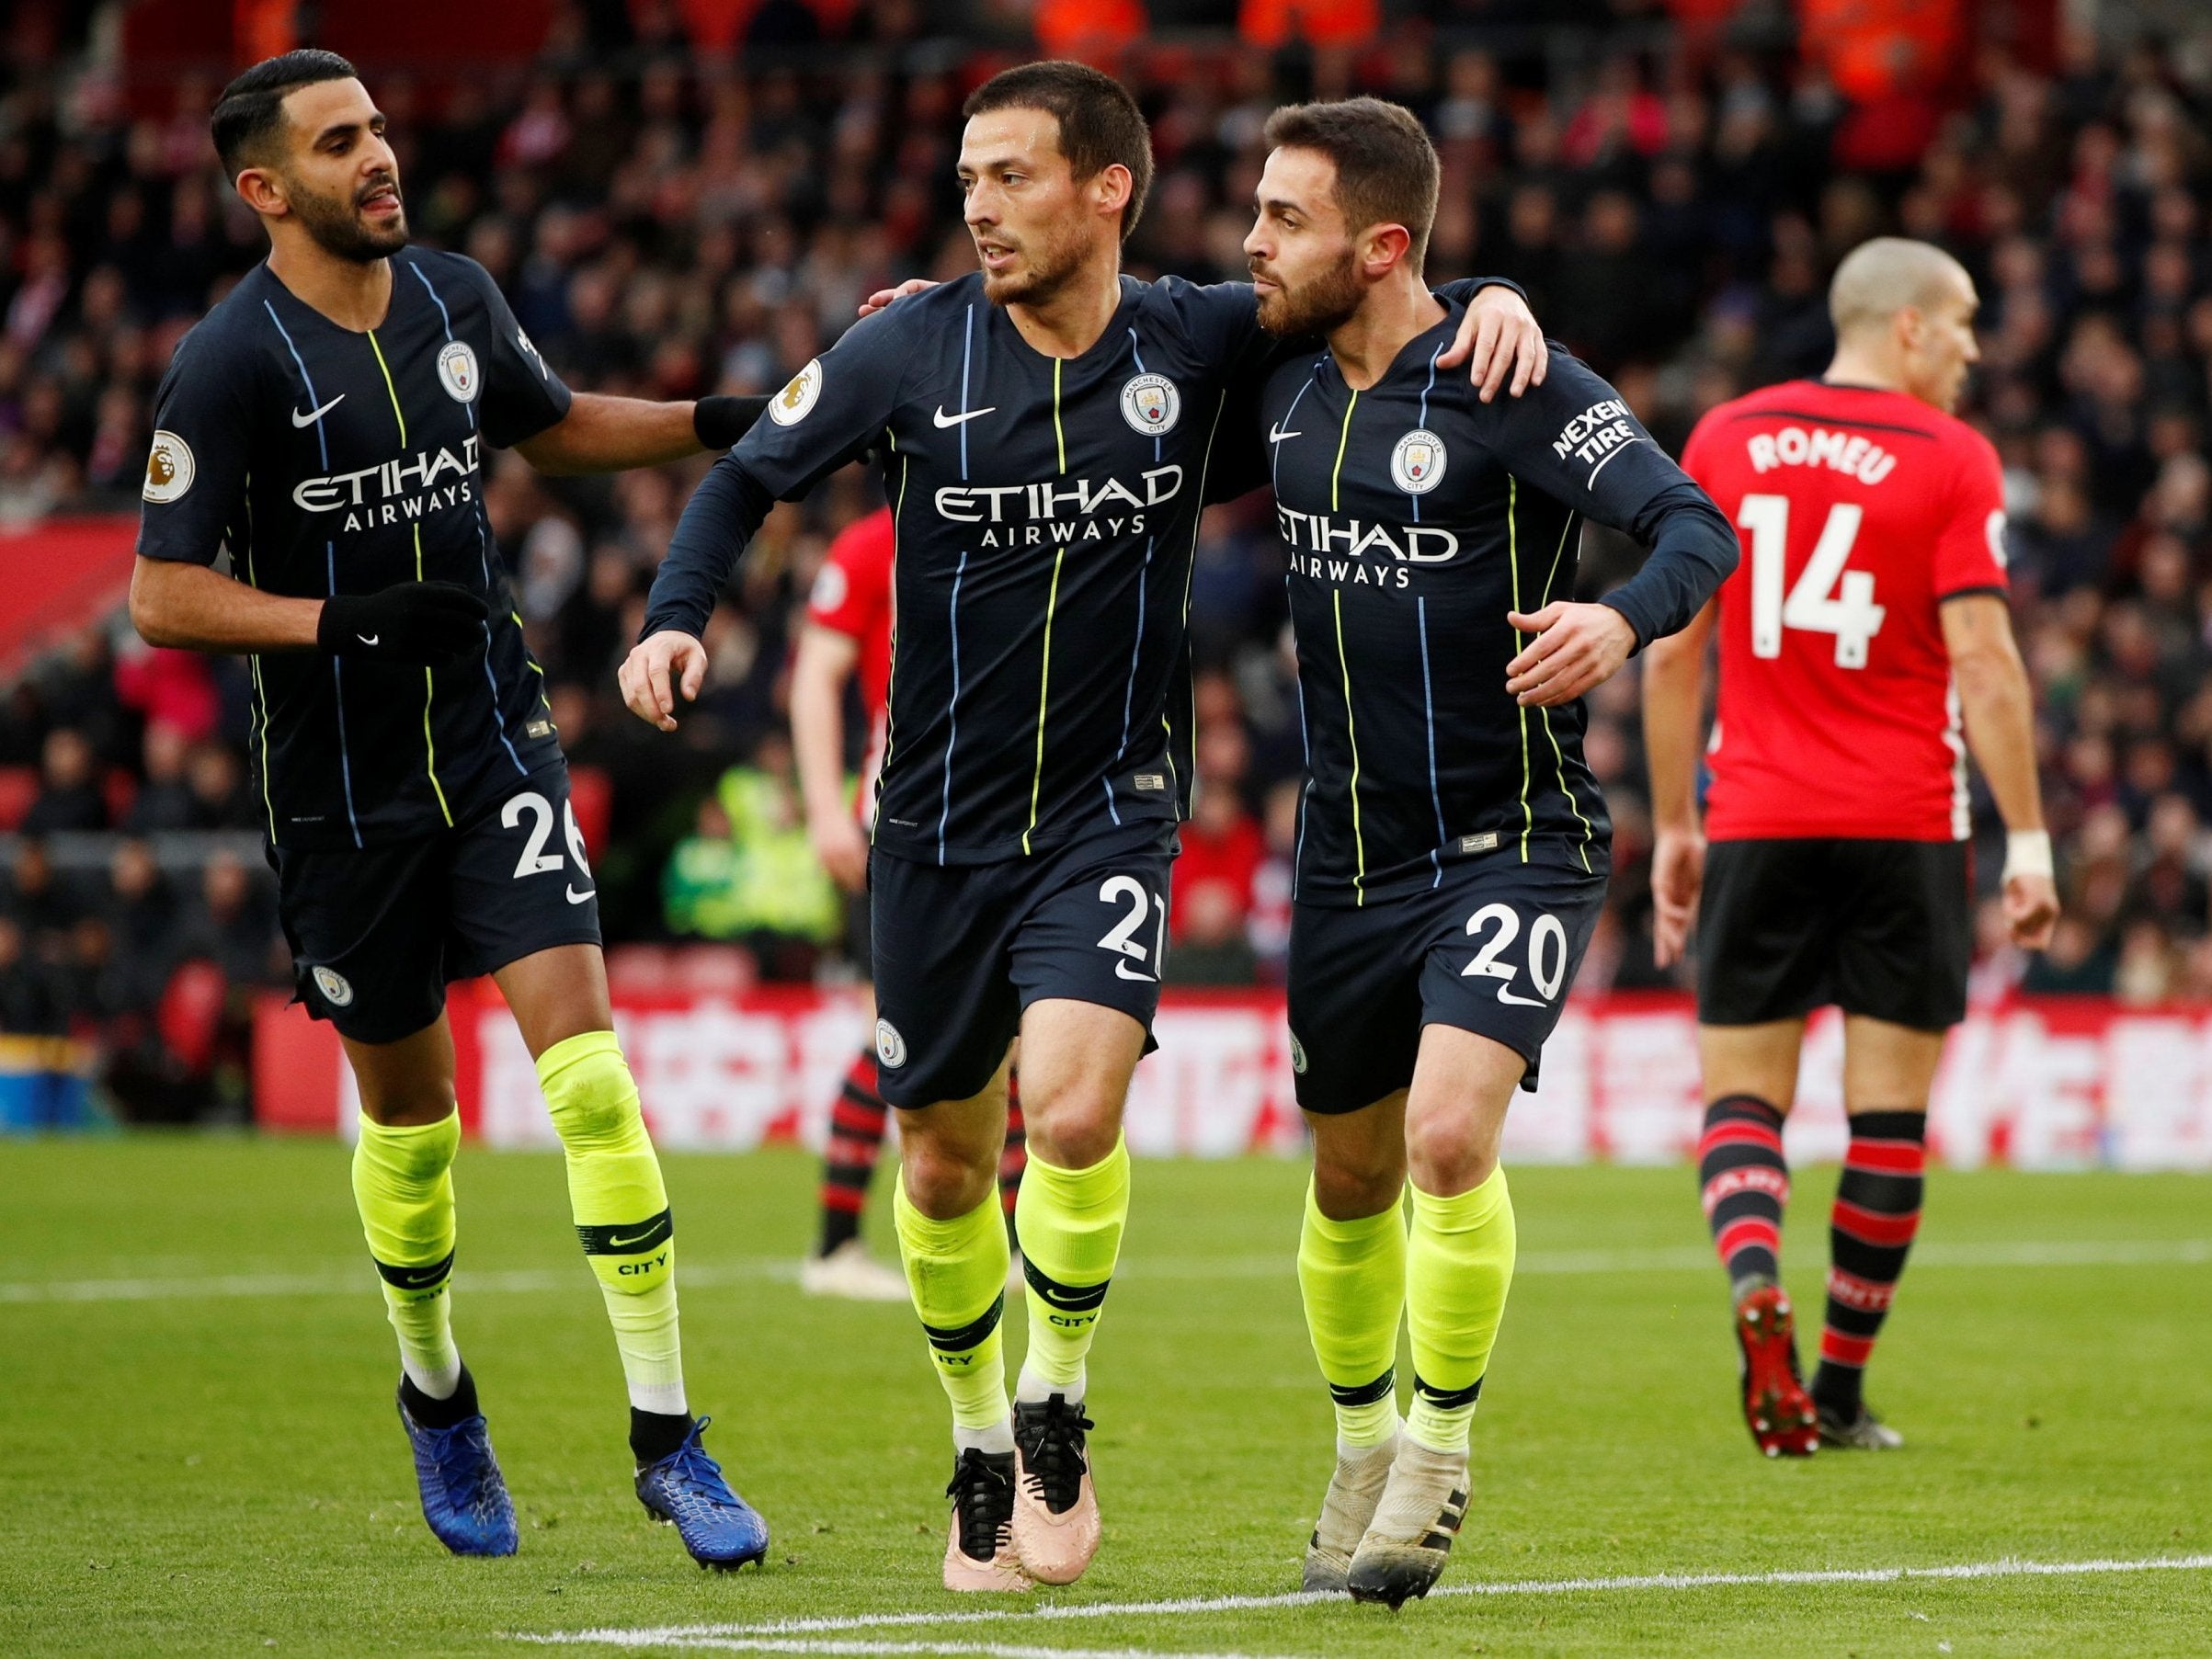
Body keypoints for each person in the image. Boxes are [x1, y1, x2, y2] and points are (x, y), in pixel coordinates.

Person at [621, 61, 1545, 1592]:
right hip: (928, 824)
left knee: (1069, 1114)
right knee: (935, 1169)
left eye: (1012, 176)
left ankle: (1053, 1404)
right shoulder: (909, 346)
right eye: (969, 180)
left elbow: (1372, 276)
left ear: (1107, 186)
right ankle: (980, 1440)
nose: (979, 206)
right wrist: (674, 618)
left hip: (1107, 813)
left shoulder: (1195, 338)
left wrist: (1498, 289)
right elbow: (747, 478)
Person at [126, 51, 775, 1567]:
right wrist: (333, 624)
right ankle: (437, 1396)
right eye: (340, 141)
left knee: (591, 1087)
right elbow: (160, 592)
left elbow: (548, 426)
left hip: (495, 754)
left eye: (379, 128)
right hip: (344, 799)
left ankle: (670, 1443)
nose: (380, 157)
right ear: (264, 189)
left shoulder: (455, 298)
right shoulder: (226, 365)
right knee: (414, 1131)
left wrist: (719, 420)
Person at [1237, 99, 1737, 1607]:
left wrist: (1615, 616)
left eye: (1284, 219)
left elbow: (1695, 529)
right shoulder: (1265, 375)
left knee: (1451, 1140)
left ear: (1379, 245)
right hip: (1343, 854)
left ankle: (1437, 1455)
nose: (1254, 244)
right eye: (1255, 213)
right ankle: (1358, 1442)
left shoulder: (1513, 377)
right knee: (1348, 1181)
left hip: (1510, 837)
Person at [1644, 236, 2059, 1456]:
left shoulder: (1724, 435)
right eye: (1966, 323)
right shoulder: (1950, 457)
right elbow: (1981, 661)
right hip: (1903, 820)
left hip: (1757, 816)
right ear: (1910, 327)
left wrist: (1676, 821)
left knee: (1740, 1101)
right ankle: (1831, 1387)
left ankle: (1752, 1281)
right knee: (1884, 1123)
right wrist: (2029, 837)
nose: (1976, 350)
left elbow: (1675, 650)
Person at [788, 505, 1028, 1301]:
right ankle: (833, 1247)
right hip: (900, 827)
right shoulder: (871, 542)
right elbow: (816, 674)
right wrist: (825, 808)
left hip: (1011, 822)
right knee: (899, 1039)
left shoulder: (1019, 509)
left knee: (1018, 1043)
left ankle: (1018, 1243)